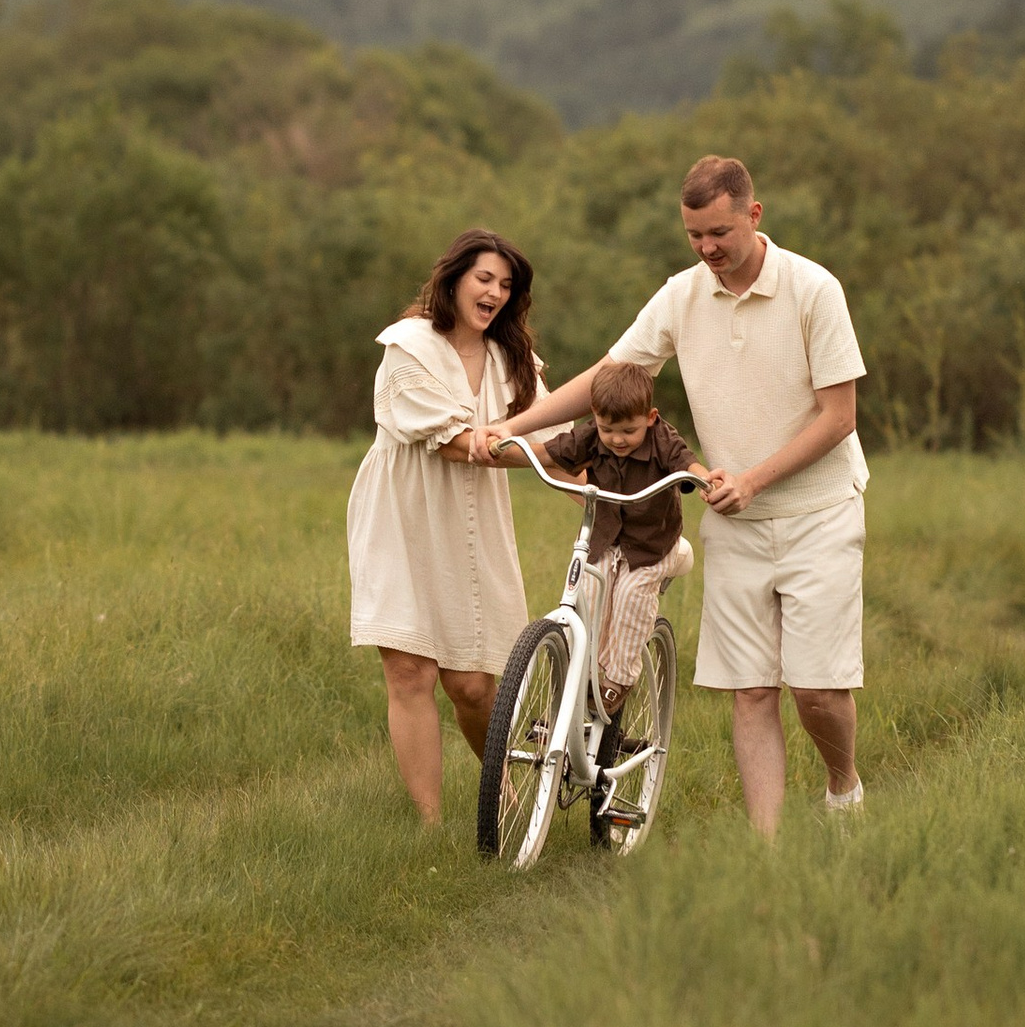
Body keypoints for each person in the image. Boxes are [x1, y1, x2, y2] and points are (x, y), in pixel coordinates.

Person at [480, 154, 867, 834]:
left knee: (816, 690)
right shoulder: (682, 296)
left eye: (719, 232)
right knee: (750, 691)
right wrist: (513, 427)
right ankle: (768, 855)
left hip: (819, 514)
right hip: (733, 520)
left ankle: (844, 785)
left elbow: (840, 418)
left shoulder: (814, 289)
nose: (707, 248)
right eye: (694, 235)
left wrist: (753, 479)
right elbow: (610, 373)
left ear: (753, 214)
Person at [347, 226, 542, 824]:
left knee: (473, 686)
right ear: (454, 279)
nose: (495, 293)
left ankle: (501, 793)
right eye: (484, 278)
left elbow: (555, 438)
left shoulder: (514, 361)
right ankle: (429, 825)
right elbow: (454, 443)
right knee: (410, 671)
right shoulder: (408, 346)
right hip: (401, 515)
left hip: (472, 522)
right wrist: (530, 451)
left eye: (505, 285)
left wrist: (606, 483)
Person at [545, 361, 704, 816]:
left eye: (629, 431)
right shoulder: (594, 436)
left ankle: (616, 680)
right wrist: (507, 444)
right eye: (607, 429)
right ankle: (581, 683)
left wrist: (704, 477)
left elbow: (685, 461)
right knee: (590, 594)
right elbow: (557, 450)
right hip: (606, 539)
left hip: (651, 547)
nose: (617, 439)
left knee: (633, 596)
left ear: (649, 418)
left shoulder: (661, 438)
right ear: (595, 418)